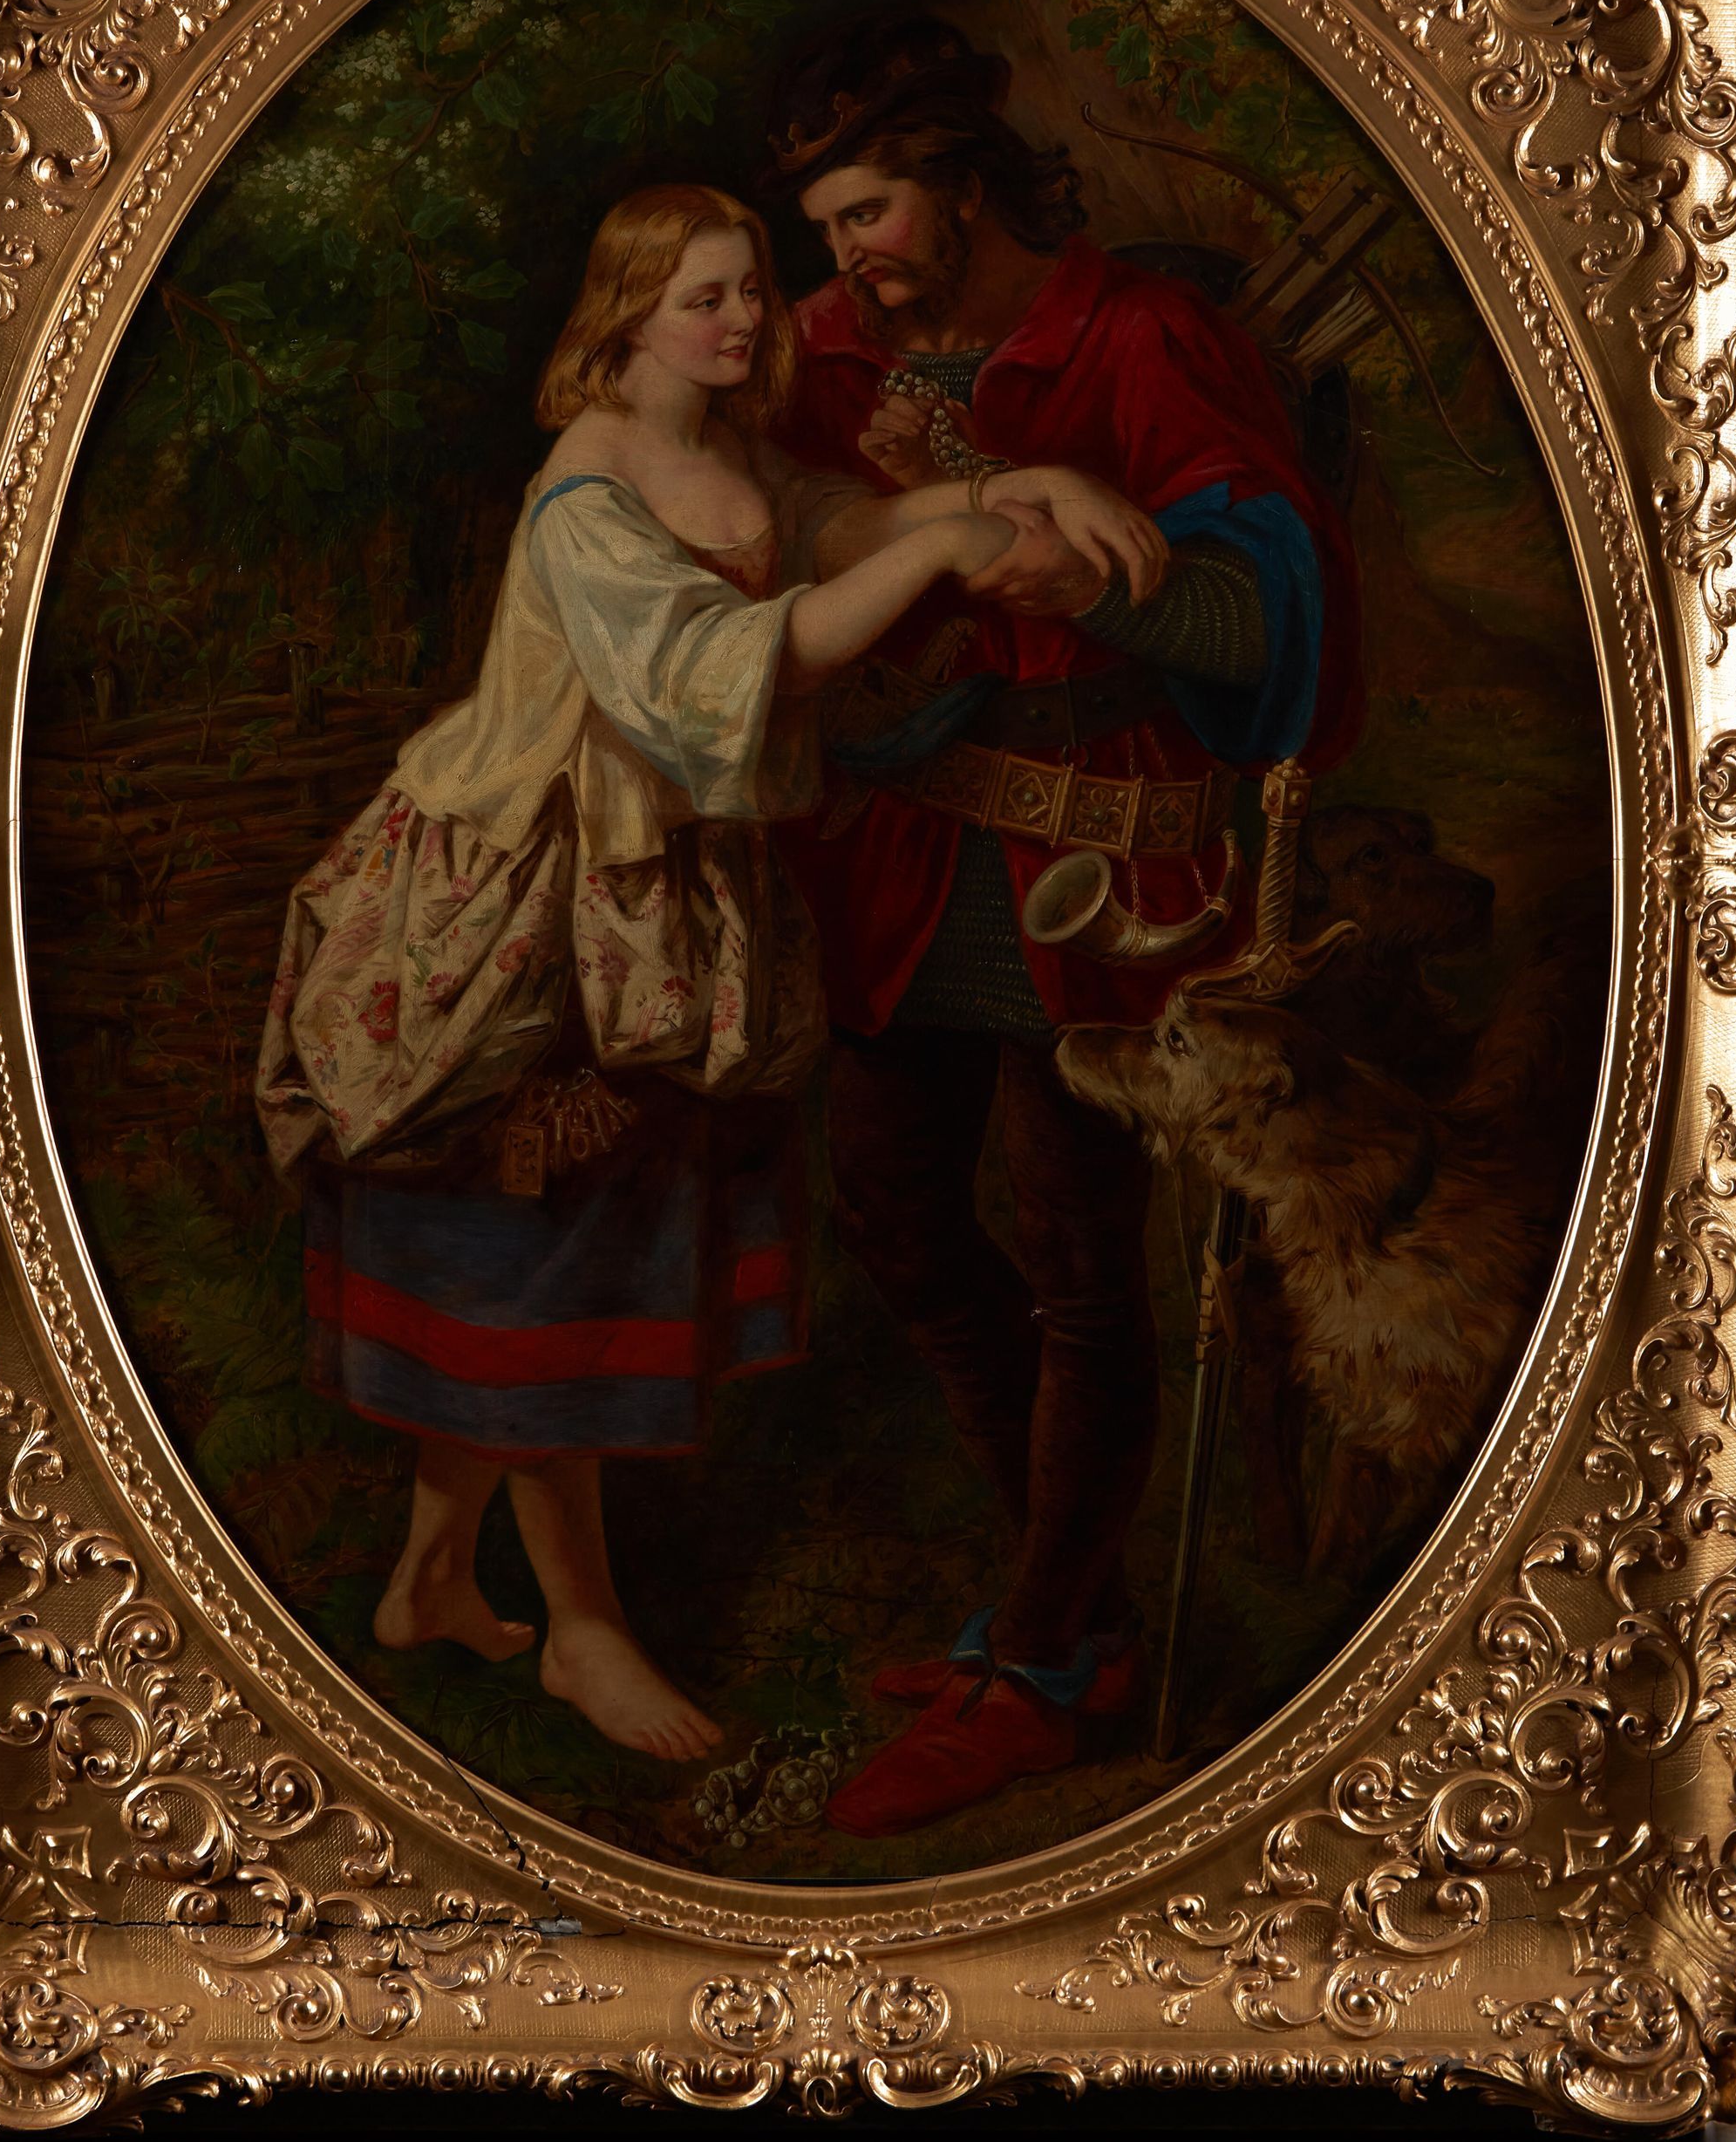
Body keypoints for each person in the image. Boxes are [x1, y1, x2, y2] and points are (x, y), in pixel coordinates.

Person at [255, 182, 1165, 1764]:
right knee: (539, 1249)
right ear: (626, 316)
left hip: (646, 896)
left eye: (750, 288)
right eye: (705, 298)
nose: (745, 318)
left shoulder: (717, 444)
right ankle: (583, 1635)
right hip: (530, 899)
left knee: (568, 1232)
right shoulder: (587, 492)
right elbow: (718, 669)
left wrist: (1004, 487)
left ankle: (428, 1577)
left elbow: (824, 527)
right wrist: (951, 543)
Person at [763, 14, 1363, 1834]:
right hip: (904, 857)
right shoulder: (823, 345)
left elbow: (1268, 616)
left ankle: (1035, 1666)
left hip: (1098, 869)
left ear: (961, 185)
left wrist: (1098, 578)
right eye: (825, 227)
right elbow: (752, 520)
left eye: (869, 213)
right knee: (895, 1213)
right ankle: (1073, 1607)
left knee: (1079, 1261)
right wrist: (932, 511)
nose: (844, 257)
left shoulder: (1138, 336)